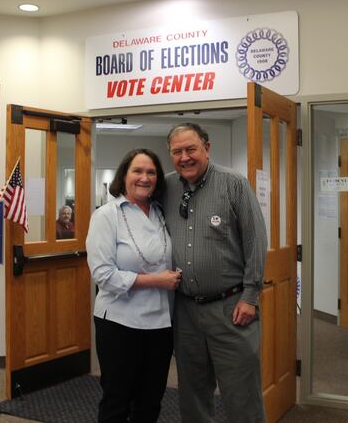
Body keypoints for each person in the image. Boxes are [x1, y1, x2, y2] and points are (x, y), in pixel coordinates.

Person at [162, 123, 268, 423]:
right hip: (185, 311)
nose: (185, 157)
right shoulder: (166, 188)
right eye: (177, 151)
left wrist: (251, 296)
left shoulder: (233, 184)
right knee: (192, 395)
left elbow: (256, 242)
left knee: (241, 395)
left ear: (206, 148)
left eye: (191, 149)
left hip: (232, 309)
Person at [86, 148, 182, 423]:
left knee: (151, 401)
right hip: (119, 323)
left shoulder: (161, 213)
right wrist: (157, 280)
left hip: (160, 324)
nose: (144, 177)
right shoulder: (106, 215)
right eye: (137, 171)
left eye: (151, 172)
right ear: (124, 176)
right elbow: (103, 274)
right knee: (117, 400)